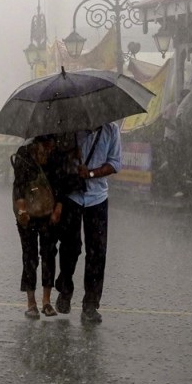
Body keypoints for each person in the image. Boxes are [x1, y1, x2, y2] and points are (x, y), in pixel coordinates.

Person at [54, 121, 122, 324]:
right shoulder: (71, 128)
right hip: (72, 195)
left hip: (98, 197)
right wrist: (70, 156)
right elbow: (57, 158)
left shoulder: (112, 130)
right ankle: (64, 289)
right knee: (70, 247)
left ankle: (91, 304)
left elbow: (115, 163)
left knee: (97, 252)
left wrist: (91, 173)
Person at [10, 135, 63, 319]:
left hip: (48, 212)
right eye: (46, 145)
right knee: (30, 253)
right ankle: (31, 302)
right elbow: (19, 185)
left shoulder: (56, 154)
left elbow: (60, 183)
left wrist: (58, 207)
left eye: (51, 145)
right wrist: (22, 210)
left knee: (49, 252)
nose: (49, 148)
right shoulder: (24, 154)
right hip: (27, 212)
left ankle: (46, 301)